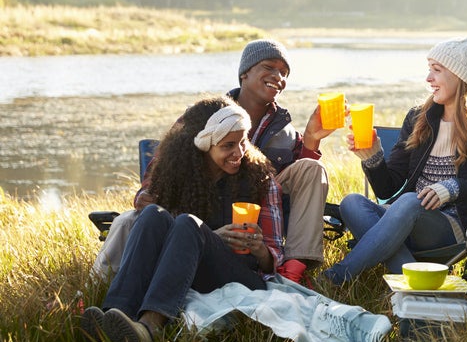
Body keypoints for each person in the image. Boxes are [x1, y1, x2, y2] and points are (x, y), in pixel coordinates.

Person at [93, 39, 334, 278]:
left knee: (312, 168)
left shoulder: (285, 129)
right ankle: (96, 290)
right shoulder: (206, 113)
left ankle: (293, 271)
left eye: (284, 73)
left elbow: (301, 183)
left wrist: (312, 138)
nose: (278, 77)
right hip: (204, 201)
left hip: (258, 205)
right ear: (245, 74)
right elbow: (165, 162)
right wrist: (147, 196)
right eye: (269, 67)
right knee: (128, 221)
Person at [80, 97, 283, 342]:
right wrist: (208, 237)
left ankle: (150, 328)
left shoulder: (261, 179)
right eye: (228, 145)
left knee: (188, 223)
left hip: (243, 277)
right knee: (154, 215)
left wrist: (259, 249)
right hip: (190, 272)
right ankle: (114, 317)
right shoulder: (178, 173)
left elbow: (274, 260)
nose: (239, 153)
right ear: (203, 145)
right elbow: (146, 205)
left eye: (243, 142)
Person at [322, 29, 467, 285]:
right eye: (429, 69)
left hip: (450, 225)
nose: (428, 78)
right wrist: (373, 158)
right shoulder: (417, 117)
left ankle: (338, 276)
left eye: (436, 70)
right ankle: (413, 278)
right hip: (401, 218)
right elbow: (388, 189)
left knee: (411, 201)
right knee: (351, 202)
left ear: (459, 75)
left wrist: (453, 188)